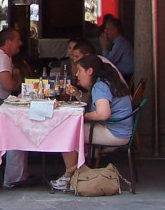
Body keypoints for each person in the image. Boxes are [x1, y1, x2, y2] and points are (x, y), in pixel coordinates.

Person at [50, 54, 133, 191]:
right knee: (70, 129)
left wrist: (83, 116)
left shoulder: (100, 86)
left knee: (66, 132)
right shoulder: (105, 82)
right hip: (120, 129)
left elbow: (103, 113)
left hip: (115, 133)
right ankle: (76, 171)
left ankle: (70, 176)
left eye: (79, 70)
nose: (77, 74)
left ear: (90, 71)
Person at [0, 28, 30, 187]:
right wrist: (17, 77)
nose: (20, 43)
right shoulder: (2, 58)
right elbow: (9, 86)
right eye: (17, 40)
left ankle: (20, 174)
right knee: (19, 126)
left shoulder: (0, 57)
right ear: (8, 42)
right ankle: (14, 178)